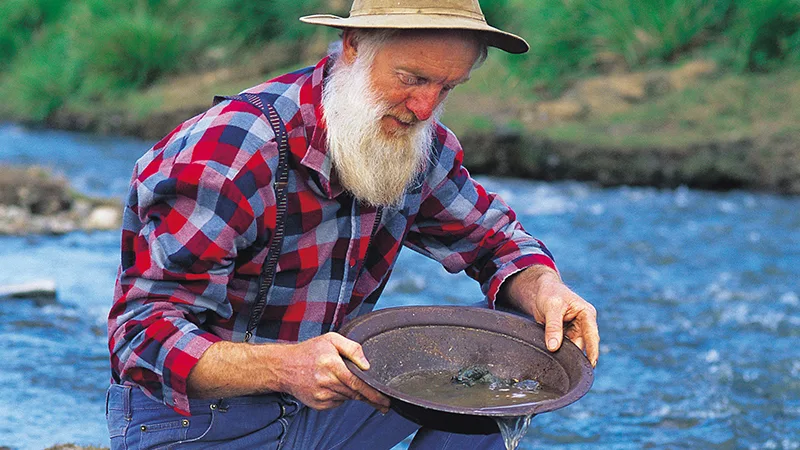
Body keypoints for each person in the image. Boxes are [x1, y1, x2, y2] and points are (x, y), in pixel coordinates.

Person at [106, 0, 600, 448]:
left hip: (323, 408)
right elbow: (141, 337)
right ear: (353, 47)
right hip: (197, 424)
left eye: (446, 87)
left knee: (516, 337)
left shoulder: (418, 146)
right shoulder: (230, 153)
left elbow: (496, 241)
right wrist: (287, 366)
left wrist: (544, 287)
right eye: (411, 78)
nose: (424, 108)